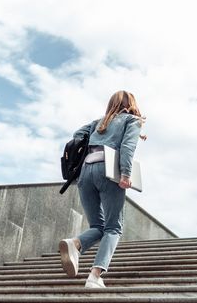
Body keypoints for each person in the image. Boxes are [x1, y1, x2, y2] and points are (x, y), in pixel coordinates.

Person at [59, 90, 146, 288]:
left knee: (98, 227)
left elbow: (77, 135)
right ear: (131, 103)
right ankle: (95, 276)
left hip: (85, 173)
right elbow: (127, 147)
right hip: (107, 171)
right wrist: (125, 174)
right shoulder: (133, 120)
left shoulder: (98, 122)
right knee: (113, 227)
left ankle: (76, 244)